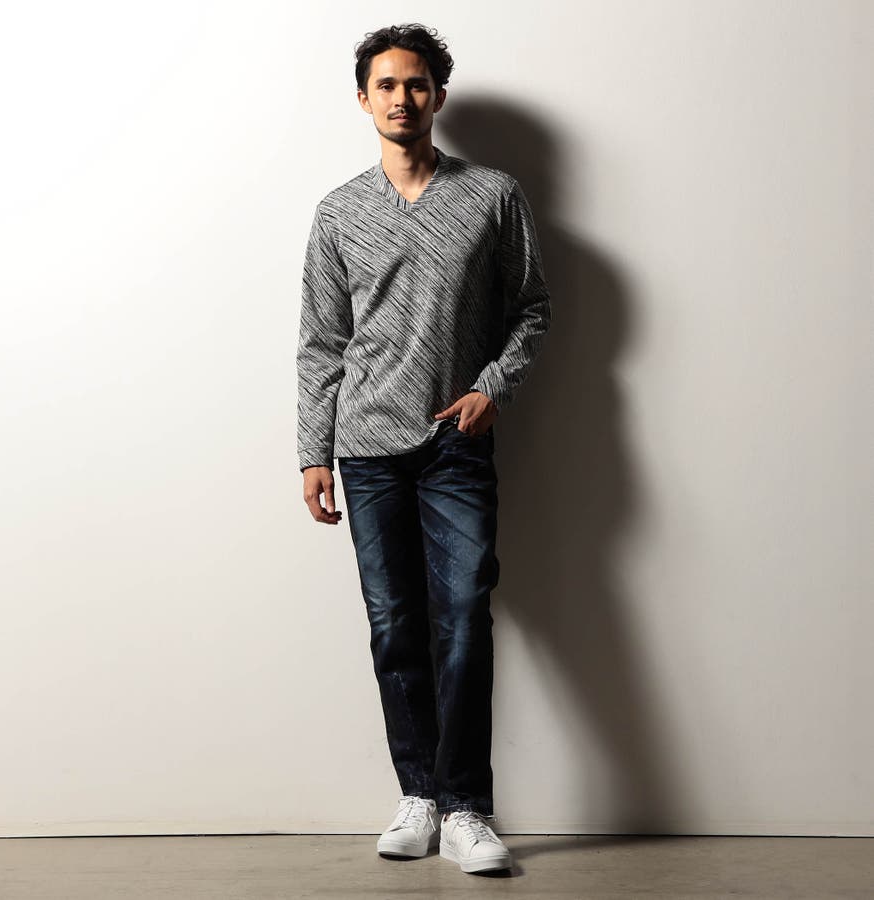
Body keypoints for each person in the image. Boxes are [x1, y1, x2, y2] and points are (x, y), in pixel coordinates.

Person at [296, 22, 551, 875]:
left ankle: (467, 806)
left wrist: (493, 386)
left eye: (416, 84)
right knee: (394, 626)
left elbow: (532, 308)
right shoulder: (339, 213)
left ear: (437, 94)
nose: (401, 98)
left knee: (463, 621)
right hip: (367, 448)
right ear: (363, 98)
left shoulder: (492, 196)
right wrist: (313, 453)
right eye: (386, 84)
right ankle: (419, 795)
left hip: (454, 444)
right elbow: (322, 345)